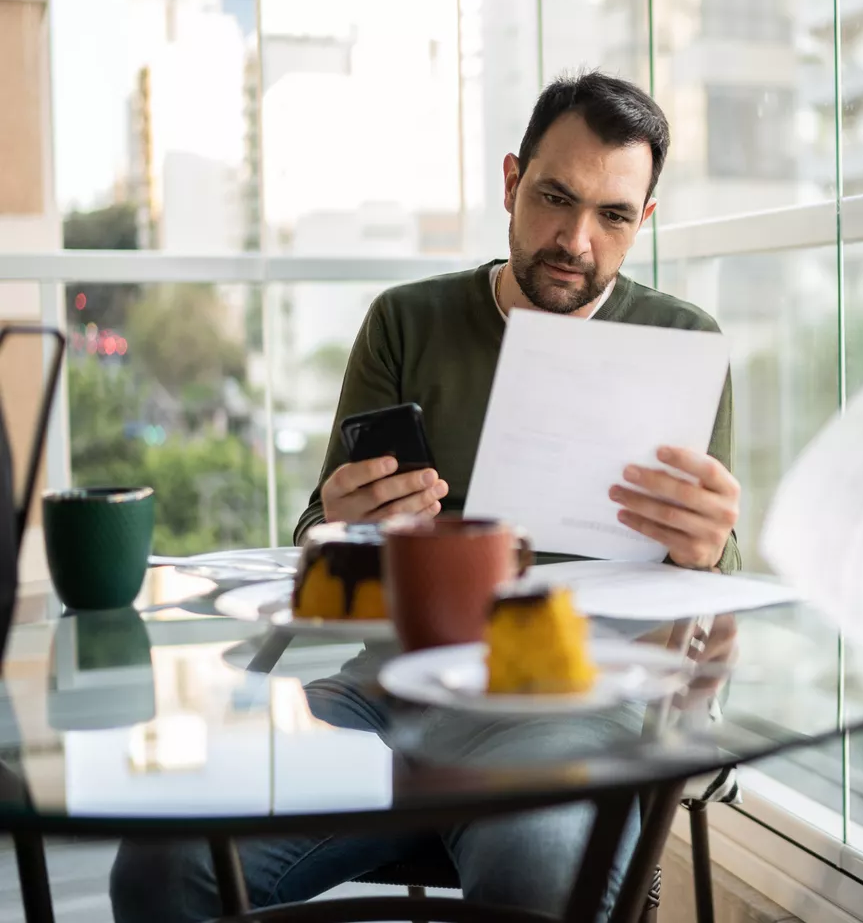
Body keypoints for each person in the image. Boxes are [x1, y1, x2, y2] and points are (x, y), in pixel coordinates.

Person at [110, 72, 741, 923]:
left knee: (544, 874)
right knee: (163, 863)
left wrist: (708, 549)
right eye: (555, 197)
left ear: (644, 223)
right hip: (389, 690)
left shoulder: (682, 345)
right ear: (512, 182)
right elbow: (318, 547)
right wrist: (337, 529)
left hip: (574, 705)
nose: (576, 239)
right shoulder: (406, 323)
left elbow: (720, 589)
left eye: (613, 215)